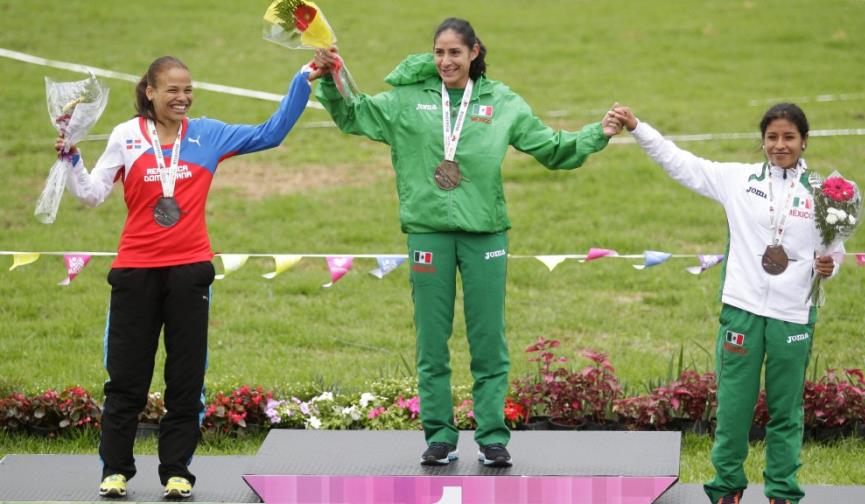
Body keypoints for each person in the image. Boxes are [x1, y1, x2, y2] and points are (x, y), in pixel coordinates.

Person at [313, 18, 622, 467]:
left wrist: (600, 133)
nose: (445, 61)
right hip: (427, 232)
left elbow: (553, 149)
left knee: (488, 339)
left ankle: (492, 435)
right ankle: (439, 434)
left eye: (455, 53)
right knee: (432, 340)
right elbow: (354, 113)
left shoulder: (502, 102)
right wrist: (331, 78)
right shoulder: (408, 99)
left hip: (486, 235)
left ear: (475, 52)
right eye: (439, 52)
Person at [55, 56, 322, 499]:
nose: (182, 97)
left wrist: (301, 80)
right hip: (135, 272)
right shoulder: (125, 136)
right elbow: (91, 195)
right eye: (172, 90)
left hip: (189, 271)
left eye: (187, 90)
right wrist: (71, 158)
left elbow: (270, 134)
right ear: (150, 92)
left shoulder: (208, 134)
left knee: (185, 379)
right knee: (126, 379)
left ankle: (176, 471)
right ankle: (115, 470)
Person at [608, 103, 843, 504]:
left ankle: (782, 491)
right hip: (742, 309)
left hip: (794, 314)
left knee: (786, 410)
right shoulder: (738, 180)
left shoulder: (826, 193)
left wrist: (829, 265)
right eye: (772, 137)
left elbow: (834, 250)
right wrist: (637, 127)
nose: (779, 145)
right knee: (734, 407)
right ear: (762, 141)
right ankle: (726, 488)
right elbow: (679, 163)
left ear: (805, 141)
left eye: (789, 137)